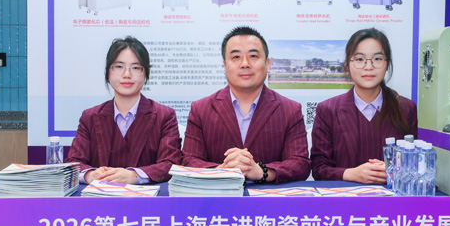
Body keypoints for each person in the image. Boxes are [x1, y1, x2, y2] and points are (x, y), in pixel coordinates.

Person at [183, 26, 310, 183]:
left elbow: (300, 163)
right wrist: (221, 170)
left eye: (253, 56)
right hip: (218, 195)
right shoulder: (200, 109)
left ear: (268, 64)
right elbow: (189, 160)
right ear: (225, 66)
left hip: (268, 196)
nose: (245, 64)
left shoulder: (290, 110)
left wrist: (261, 172)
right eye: (236, 57)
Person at [65, 36, 182, 184]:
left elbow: (170, 164)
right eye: (119, 67)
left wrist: (134, 176)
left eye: (136, 68)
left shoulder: (164, 116)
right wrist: (90, 175)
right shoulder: (90, 117)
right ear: (108, 72)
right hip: (99, 195)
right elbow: (74, 162)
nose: (127, 75)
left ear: (146, 74)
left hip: (145, 197)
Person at [311, 28, 417, 183]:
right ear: (347, 65)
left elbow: (415, 164)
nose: (368, 66)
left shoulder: (406, 108)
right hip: (344, 196)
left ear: (387, 64)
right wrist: (350, 174)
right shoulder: (328, 110)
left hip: (391, 196)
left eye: (377, 59)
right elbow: (319, 168)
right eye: (360, 59)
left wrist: (394, 172)